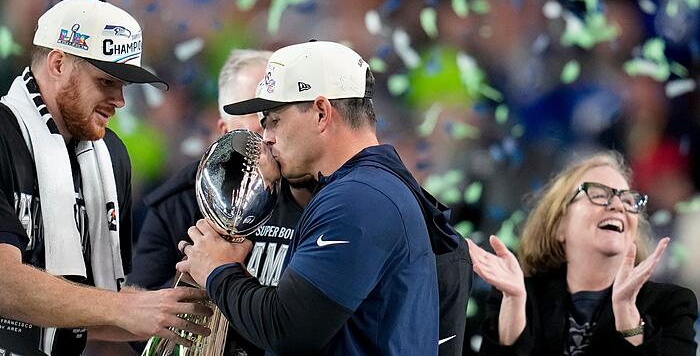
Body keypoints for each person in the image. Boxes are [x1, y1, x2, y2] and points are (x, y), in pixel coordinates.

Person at [0, 0, 211, 356]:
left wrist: (184, 311)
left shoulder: (110, 157)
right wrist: (129, 308)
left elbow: (88, 307)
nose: (119, 100)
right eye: (106, 81)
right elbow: (0, 283)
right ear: (58, 63)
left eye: (125, 86)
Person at [176, 40, 462, 355]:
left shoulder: (358, 198)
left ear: (321, 113)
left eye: (274, 120)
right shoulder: (368, 188)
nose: (267, 137)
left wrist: (218, 270)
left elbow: (286, 330)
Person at [128, 49, 310, 355]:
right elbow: (136, 324)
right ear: (224, 130)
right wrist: (196, 280)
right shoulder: (182, 201)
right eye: (257, 115)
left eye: (277, 112)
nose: (268, 132)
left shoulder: (315, 194)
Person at [468, 152, 698, 355]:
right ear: (559, 225)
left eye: (628, 200)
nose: (618, 205)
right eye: (598, 194)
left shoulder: (672, 305)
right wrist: (515, 302)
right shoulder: (520, 298)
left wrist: (627, 314)